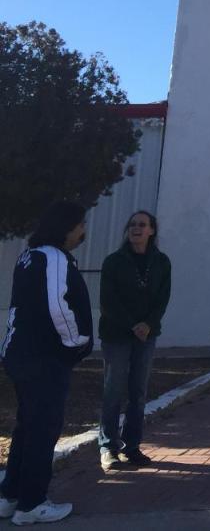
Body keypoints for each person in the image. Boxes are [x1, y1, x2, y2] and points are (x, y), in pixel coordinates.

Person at [0, 201, 94, 525]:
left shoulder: (29, 257)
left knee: (27, 428)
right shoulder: (53, 258)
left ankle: (10, 496)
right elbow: (59, 307)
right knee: (42, 431)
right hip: (44, 361)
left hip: (22, 356)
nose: (83, 230)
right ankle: (32, 504)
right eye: (81, 224)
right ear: (66, 227)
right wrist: (77, 342)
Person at [98, 210, 172, 471]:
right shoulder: (114, 262)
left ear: (152, 230)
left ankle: (132, 447)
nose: (136, 229)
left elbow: (162, 299)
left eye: (142, 225)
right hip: (117, 335)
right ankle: (108, 448)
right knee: (113, 391)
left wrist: (148, 324)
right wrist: (132, 324)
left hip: (146, 336)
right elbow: (108, 301)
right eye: (132, 224)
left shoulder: (161, 262)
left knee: (138, 393)